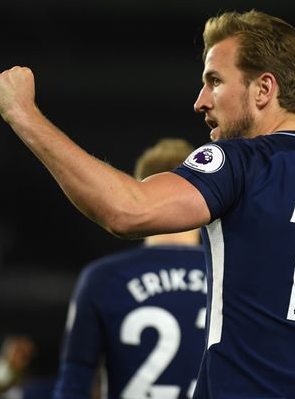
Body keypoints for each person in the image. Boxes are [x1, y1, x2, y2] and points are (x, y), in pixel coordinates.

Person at [0, 9, 295, 398]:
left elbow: (127, 211)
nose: (200, 101)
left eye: (214, 81)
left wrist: (22, 113)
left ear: (264, 90)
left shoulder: (241, 163)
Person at [53, 138, 207, 399]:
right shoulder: (237, 274)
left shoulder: (103, 279)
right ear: (203, 194)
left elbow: (74, 383)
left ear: (138, 192)